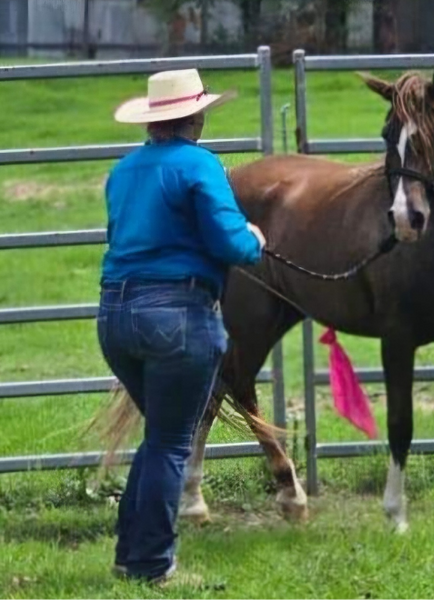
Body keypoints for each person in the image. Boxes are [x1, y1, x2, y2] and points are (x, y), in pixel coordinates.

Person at [97, 69, 265, 585]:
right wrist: (254, 237)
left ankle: (131, 555)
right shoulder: (199, 164)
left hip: (116, 317)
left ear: (154, 120)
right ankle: (152, 566)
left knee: (159, 437)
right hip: (178, 317)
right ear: (195, 116)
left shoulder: (123, 171)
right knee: (172, 443)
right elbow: (231, 244)